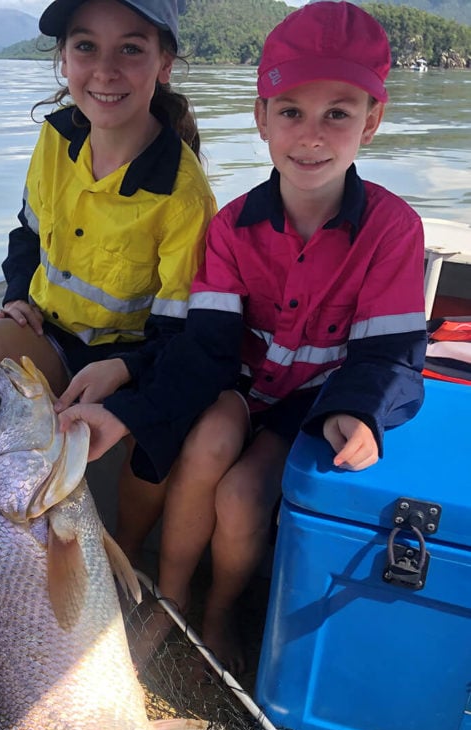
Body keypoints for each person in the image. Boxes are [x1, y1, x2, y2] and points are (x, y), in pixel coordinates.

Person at [56, 0, 429, 669]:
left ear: (370, 122)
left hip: (312, 398)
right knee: (204, 447)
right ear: (260, 119)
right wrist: (125, 412)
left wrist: (359, 412)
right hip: (239, 382)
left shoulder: (392, 230)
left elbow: (388, 355)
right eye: (289, 111)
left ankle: (219, 614)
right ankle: (167, 606)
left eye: (336, 114)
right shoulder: (229, 228)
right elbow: (205, 350)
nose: (310, 135)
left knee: (240, 493)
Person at [0, 0, 216, 559]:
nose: (105, 70)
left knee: (166, 432)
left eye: (131, 49)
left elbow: (182, 336)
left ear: (164, 63)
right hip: (55, 339)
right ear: (63, 61)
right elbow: (27, 234)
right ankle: (17, 524)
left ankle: (127, 555)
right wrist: (17, 295)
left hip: (137, 359)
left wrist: (123, 371)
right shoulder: (55, 139)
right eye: (86, 46)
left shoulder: (183, 194)